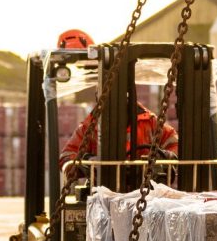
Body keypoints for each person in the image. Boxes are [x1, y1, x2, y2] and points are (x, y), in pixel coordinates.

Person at [54, 29, 178, 165]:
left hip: (145, 184)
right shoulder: (90, 126)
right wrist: (88, 162)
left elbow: (176, 145)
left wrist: (164, 157)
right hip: (102, 185)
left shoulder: (149, 122)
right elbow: (66, 156)